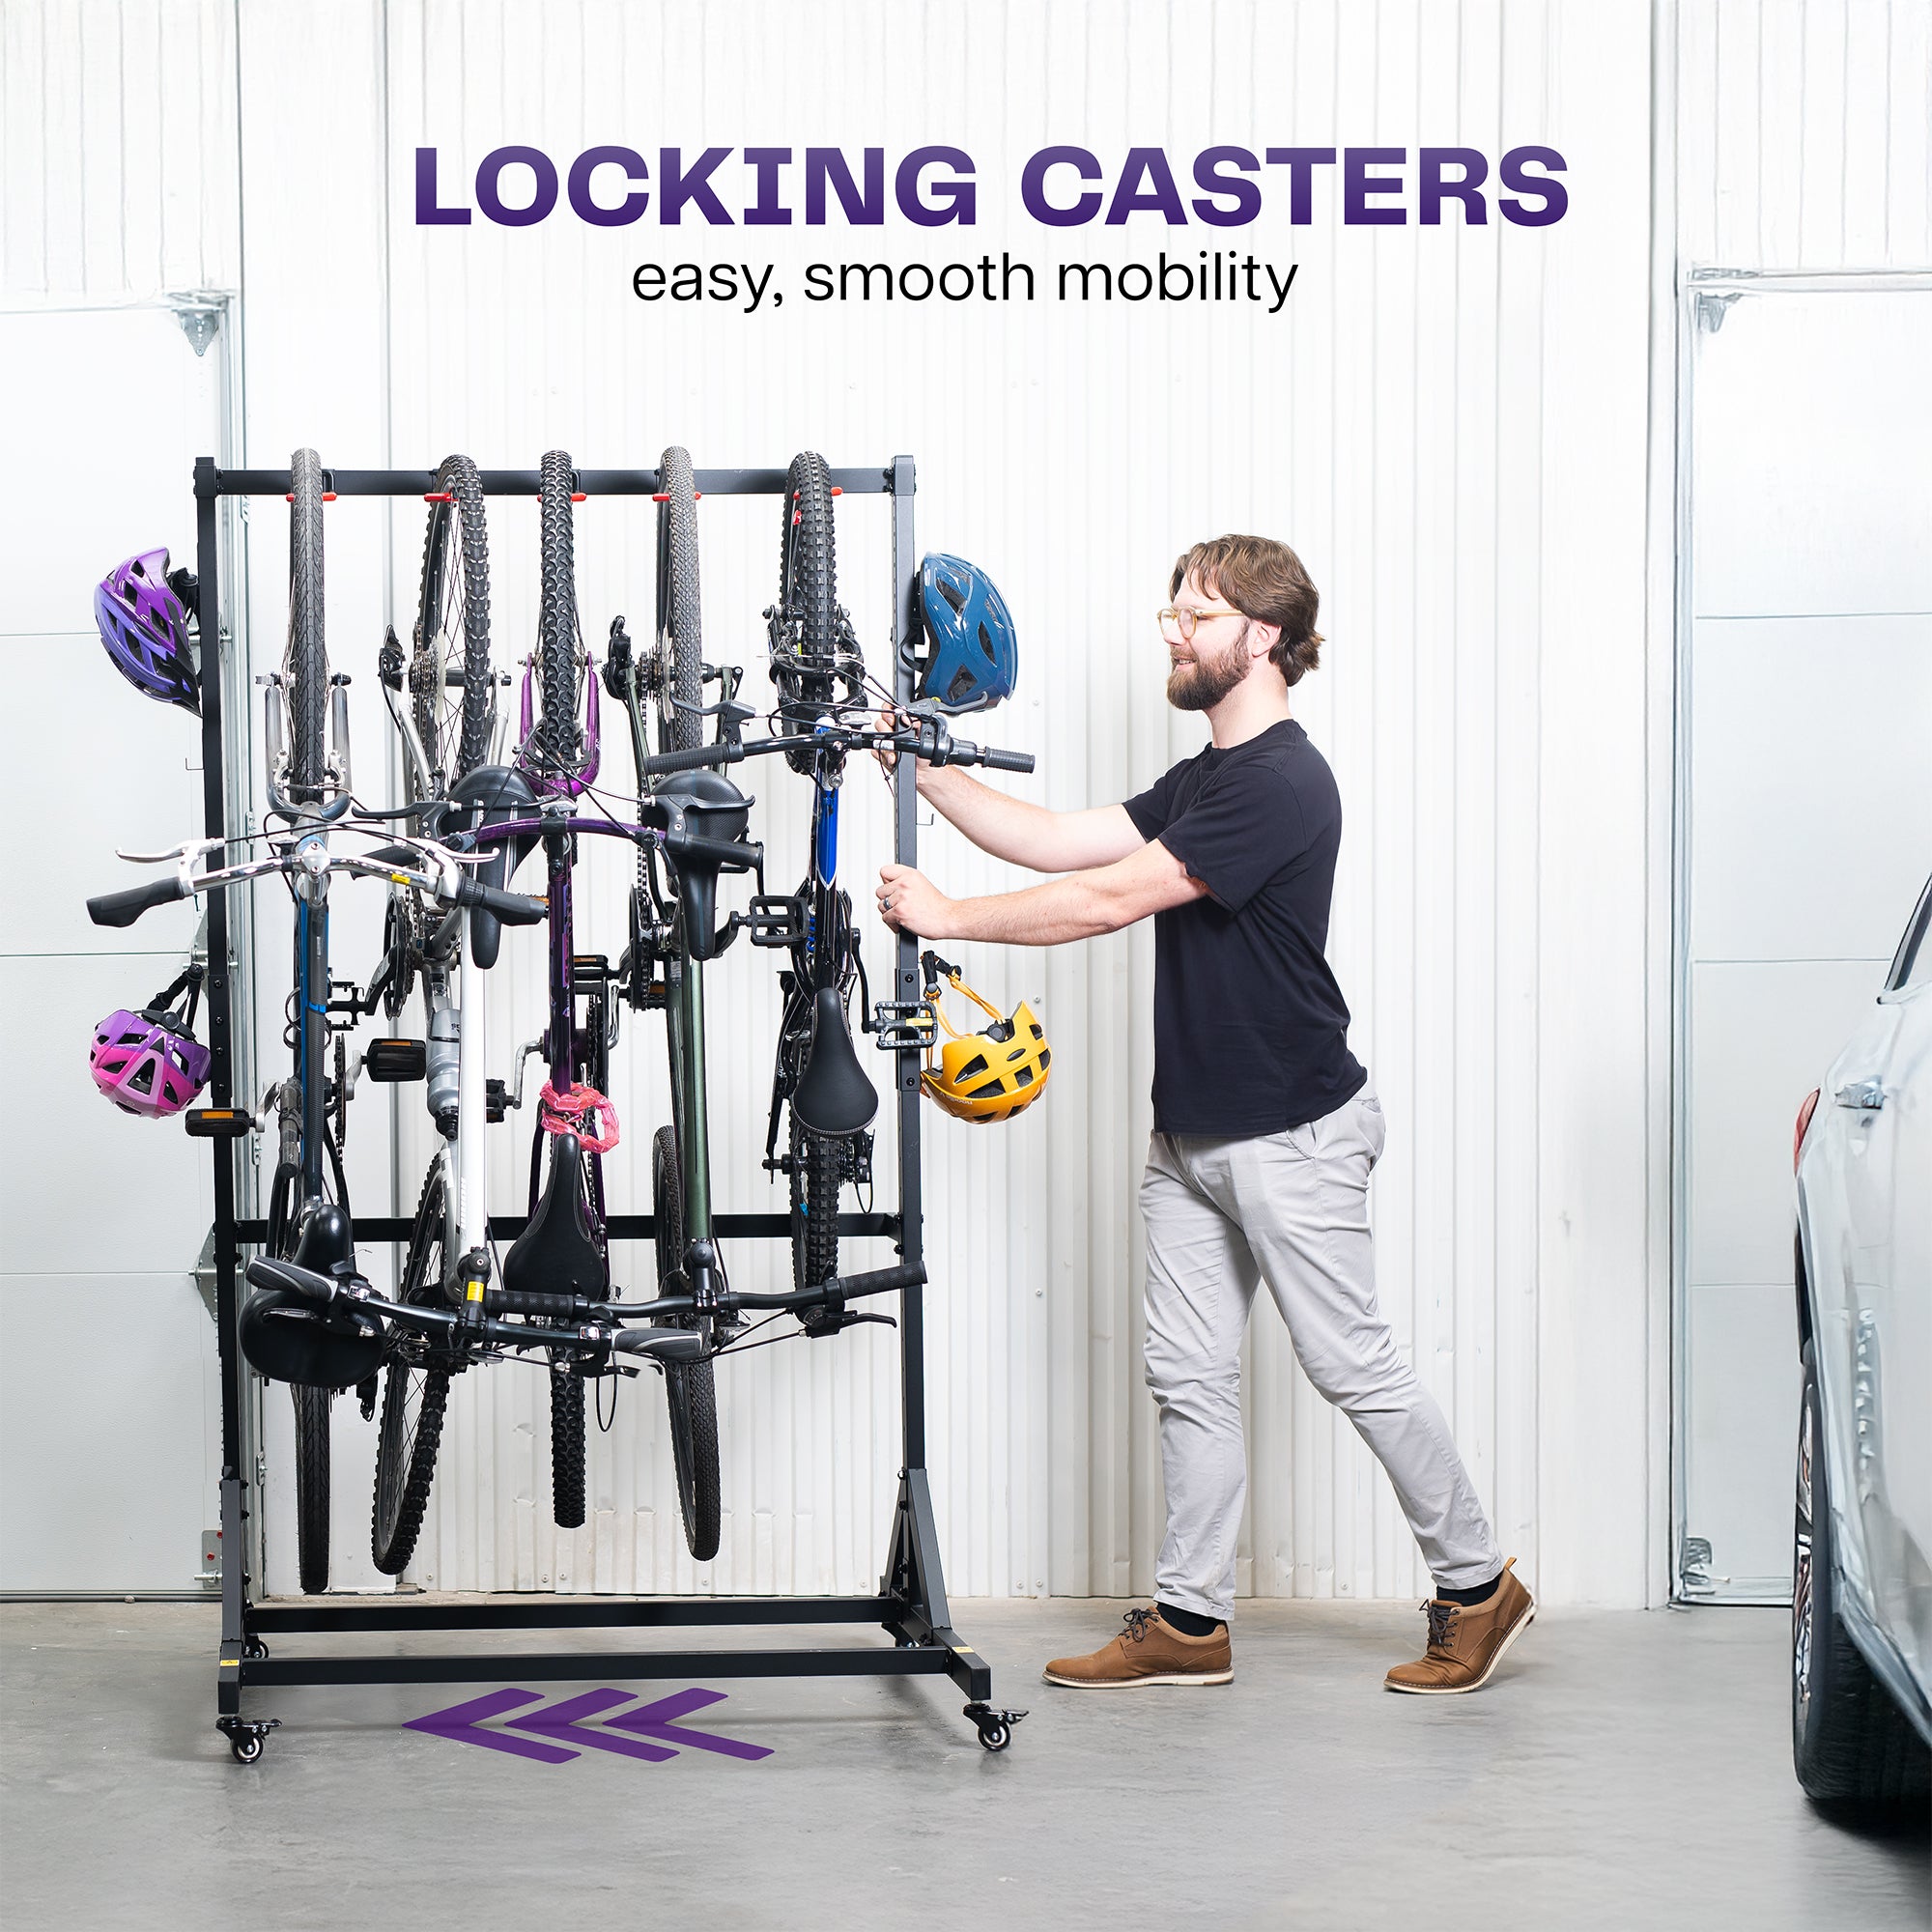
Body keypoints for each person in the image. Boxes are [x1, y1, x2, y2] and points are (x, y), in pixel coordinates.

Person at [875, 534, 1534, 1695]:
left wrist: (950, 919)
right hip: (1189, 1134)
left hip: (1290, 1126)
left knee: (1351, 1364)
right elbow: (1062, 837)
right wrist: (921, 770)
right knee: (1188, 1377)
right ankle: (1189, 1620)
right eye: (1172, 610)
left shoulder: (1282, 778)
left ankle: (1478, 1585)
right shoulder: (1206, 775)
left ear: (1262, 635)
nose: (1172, 630)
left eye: (1196, 612)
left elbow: (1108, 898)